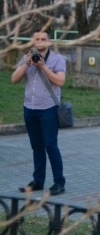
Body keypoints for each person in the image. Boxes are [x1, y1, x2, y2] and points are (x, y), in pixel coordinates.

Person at [12, 31, 67, 195]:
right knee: (36, 146)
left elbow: (60, 81)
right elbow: (14, 79)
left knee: (50, 145)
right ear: (33, 42)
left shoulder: (57, 59)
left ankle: (59, 183)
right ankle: (38, 181)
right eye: (37, 39)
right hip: (30, 108)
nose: (40, 41)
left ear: (49, 42)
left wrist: (43, 67)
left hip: (48, 109)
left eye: (44, 39)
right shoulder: (26, 58)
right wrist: (26, 64)